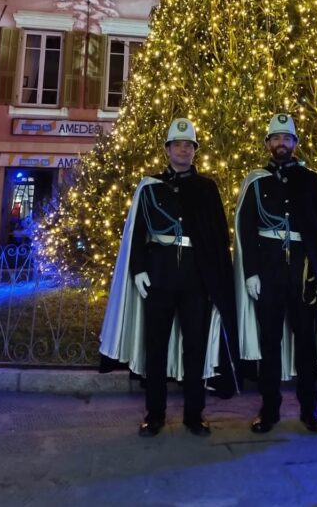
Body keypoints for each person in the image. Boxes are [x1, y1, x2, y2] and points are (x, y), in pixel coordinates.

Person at [99, 118, 238, 437]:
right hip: (159, 278)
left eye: (189, 145)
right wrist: (138, 270)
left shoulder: (207, 188)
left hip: (195, 280)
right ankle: (155, 414)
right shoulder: (150, 187)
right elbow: (135, 233)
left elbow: (218, 238)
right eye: (178, 144)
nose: (184, 149)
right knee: (156, 349)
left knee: (195, 349)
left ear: (195, 151)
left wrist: (216, 280)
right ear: (167, 149)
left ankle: (194, 414)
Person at [235, 112, 317, 435]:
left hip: (303, 272)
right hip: (268, 272)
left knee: (306, 343)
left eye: (287, 138)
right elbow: (246, 230)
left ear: (295, 143)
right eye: (275, 138)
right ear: (267, 143)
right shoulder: (255, 181)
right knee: (270, 342)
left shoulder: (311, 181)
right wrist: (251, 272)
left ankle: (309, 409)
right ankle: (269, 409)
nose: (281, 144)